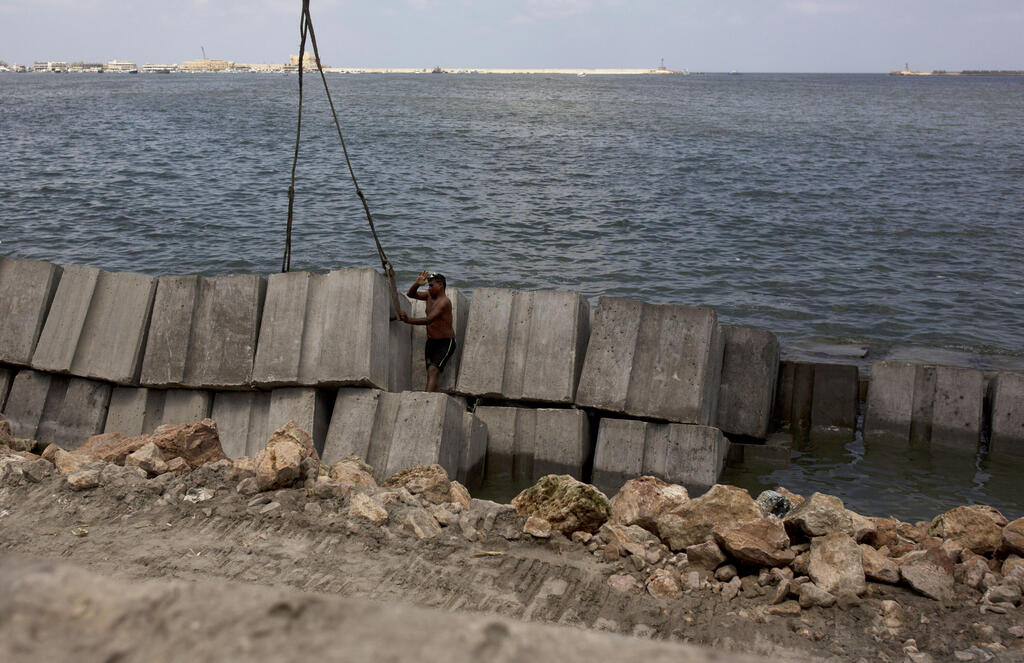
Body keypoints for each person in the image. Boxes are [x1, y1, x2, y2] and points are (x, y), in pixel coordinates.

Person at [400, 270, 456, 392]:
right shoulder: (429, 296)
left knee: (433, 370)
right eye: (428, 285)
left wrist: (408, 320)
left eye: (431, 285)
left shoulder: (444, 302)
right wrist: (417, 284)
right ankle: (431, 400)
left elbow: (428, 320)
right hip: (431, 342)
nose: (429, 288)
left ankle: (425, 401)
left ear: (440, 285)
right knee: (431, 373)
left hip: (445, 343)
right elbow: (411, 294)